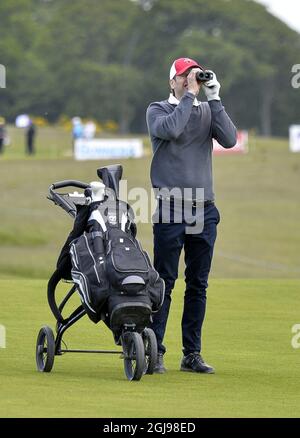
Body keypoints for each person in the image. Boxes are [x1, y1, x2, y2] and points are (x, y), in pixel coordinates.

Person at [146, 57, 237, 374]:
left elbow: (229, 139)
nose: (189, 81)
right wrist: (190, 96)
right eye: (183, 77)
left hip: (204, 208)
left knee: (198, 285)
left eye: (192, 76)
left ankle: (191, 354)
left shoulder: (205, 109)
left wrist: (214, 97)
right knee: (164, 283)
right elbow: (171, 130)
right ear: (172, 81)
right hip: (171, 208)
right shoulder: (158, 110)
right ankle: (155, 350)